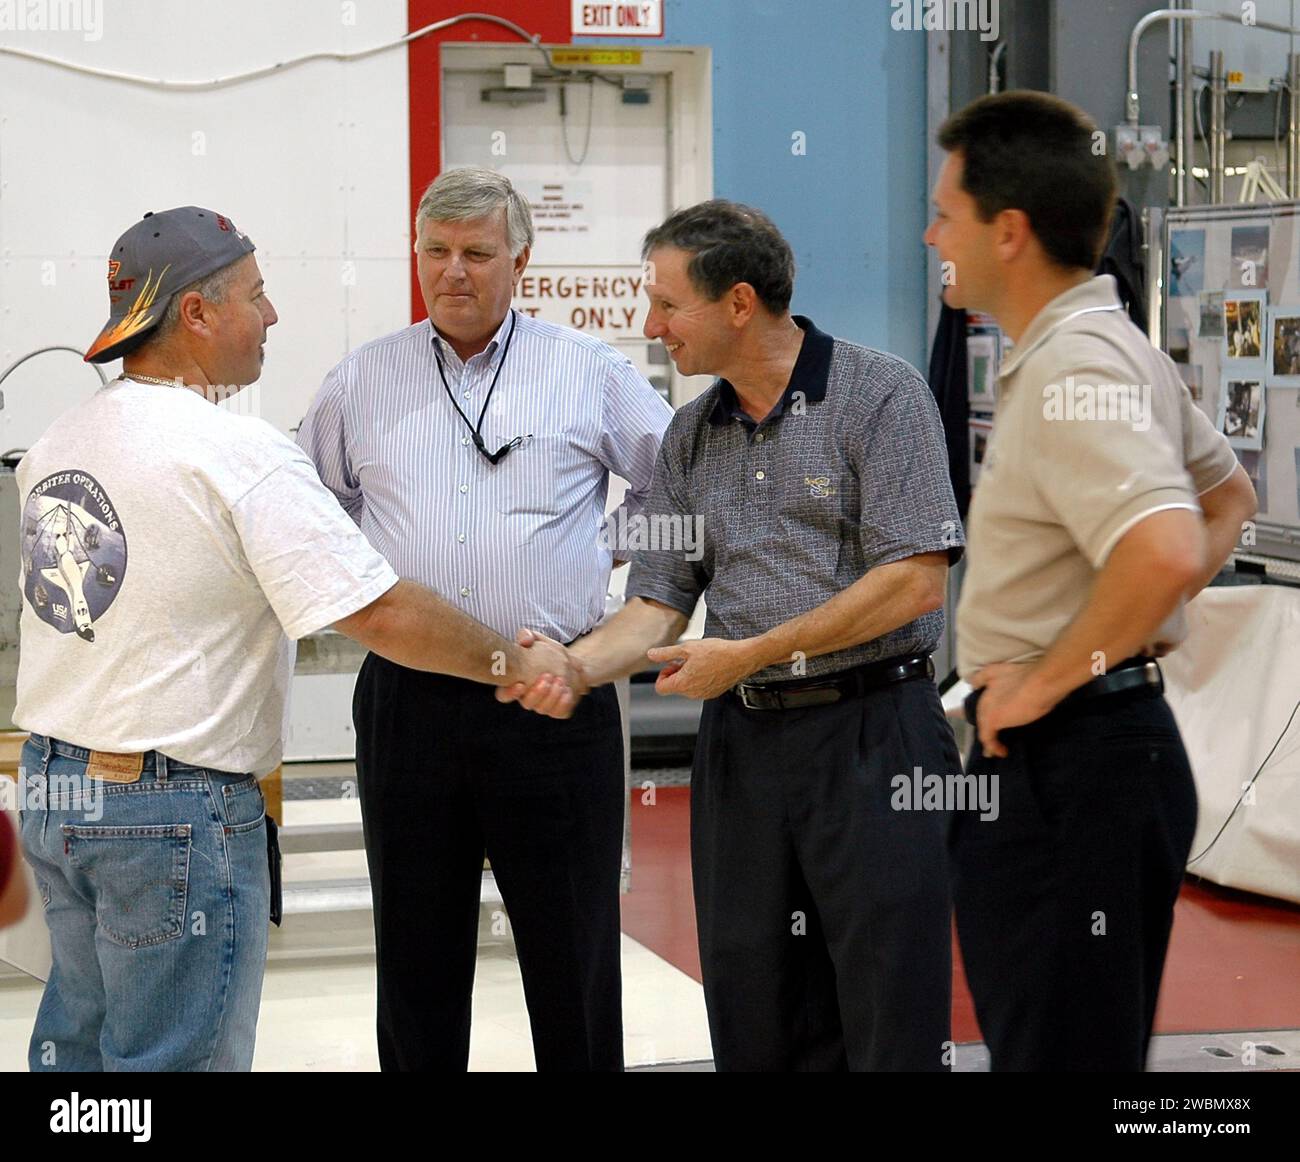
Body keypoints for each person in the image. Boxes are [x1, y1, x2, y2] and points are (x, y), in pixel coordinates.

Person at [15, 205, 579, 1073]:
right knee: (170, 1065)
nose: (272, 316)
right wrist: (516, 659)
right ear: (196, 314)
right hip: (169, 811)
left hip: (57, 795)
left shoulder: (63, 438)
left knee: (83, 1064)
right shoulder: (234, 451)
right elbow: (380, 611)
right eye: (257, 294)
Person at [505, 199, 965, 1071]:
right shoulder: (686, 437)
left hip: (876, 736)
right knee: (753, 1007)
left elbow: (913, 580)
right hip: (745, 751)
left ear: (741, 302)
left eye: (669, 305)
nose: (652, 326)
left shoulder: (880, 395)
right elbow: (657, 606)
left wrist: (749, 654)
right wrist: (569, 667)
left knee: (887, 1009)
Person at [297, 167, 672, 1072]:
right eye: (436, 251)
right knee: (417, 949)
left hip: (551, 691)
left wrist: (599, 547)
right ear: (414, 255)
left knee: (572, 947)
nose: (453, 271)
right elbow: (312, 510)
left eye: (476, 252)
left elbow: (681, 485)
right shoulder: (361, 381)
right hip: (410, 698)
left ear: (521, 261)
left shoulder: (589, 371)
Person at [925, 92, 1258, 1071]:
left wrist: (1046, 676)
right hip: (1099, 751)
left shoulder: (1078, 366)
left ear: (1011, 231)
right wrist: (1129, 635)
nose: (931, 231)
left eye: (947, 212)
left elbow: (1161, 546)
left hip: (1069, 763)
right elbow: (1225, 500)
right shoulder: (1113, 349)